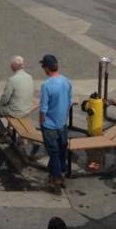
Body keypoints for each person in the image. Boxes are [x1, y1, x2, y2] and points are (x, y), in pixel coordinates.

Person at [39, 54, 73, 195]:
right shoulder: (66, 81)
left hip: (50, 126)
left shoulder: (46, 85)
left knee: (53, 153)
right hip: (62, 124)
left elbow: (43, 108)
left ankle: (57, 180)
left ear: (47, 68)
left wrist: (42, 122)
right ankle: (59, 174)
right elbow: (69, 102)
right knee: (62, 150)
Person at [0, 56, 35, 144]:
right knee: (9, 105)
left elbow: (4, 99)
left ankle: (4, 134)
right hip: (27, 108)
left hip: (15, 111)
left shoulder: (12, 80)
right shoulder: (29, 77)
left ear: (12, 67)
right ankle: (9, 131)